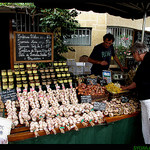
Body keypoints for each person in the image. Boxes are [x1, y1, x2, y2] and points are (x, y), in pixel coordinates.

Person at [121, 42, 150, 144]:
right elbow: (136, 82)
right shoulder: (142, 63)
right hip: (144, 99)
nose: (133, 57)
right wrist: (126, 88)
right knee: (146, 127)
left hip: (149, 99)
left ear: (137, 52)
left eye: (133, 55)